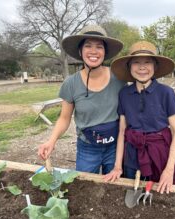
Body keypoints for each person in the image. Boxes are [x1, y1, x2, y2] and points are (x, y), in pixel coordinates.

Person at [38, 25, 125, 174]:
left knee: (114, 190)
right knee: (84, 188)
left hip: (115, 146)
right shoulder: (71, 83)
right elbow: (64, 118)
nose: (93, 51)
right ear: (80, 51)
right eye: (88, 46)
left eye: (99, 47)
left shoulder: (119, 78)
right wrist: (51, 141)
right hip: (87, 148)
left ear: (105, 52)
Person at [104, 41, 175, 194]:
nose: (142, 67)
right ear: (129, 67)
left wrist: (169, 168)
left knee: (162, 194)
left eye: (147, 62)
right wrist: (118, 166)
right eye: (136, 63)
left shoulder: (166, 93)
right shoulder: (124, 94)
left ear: (155, 66)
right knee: (133, 190)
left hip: (159, 153)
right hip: (132, 154)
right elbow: (122, 131)